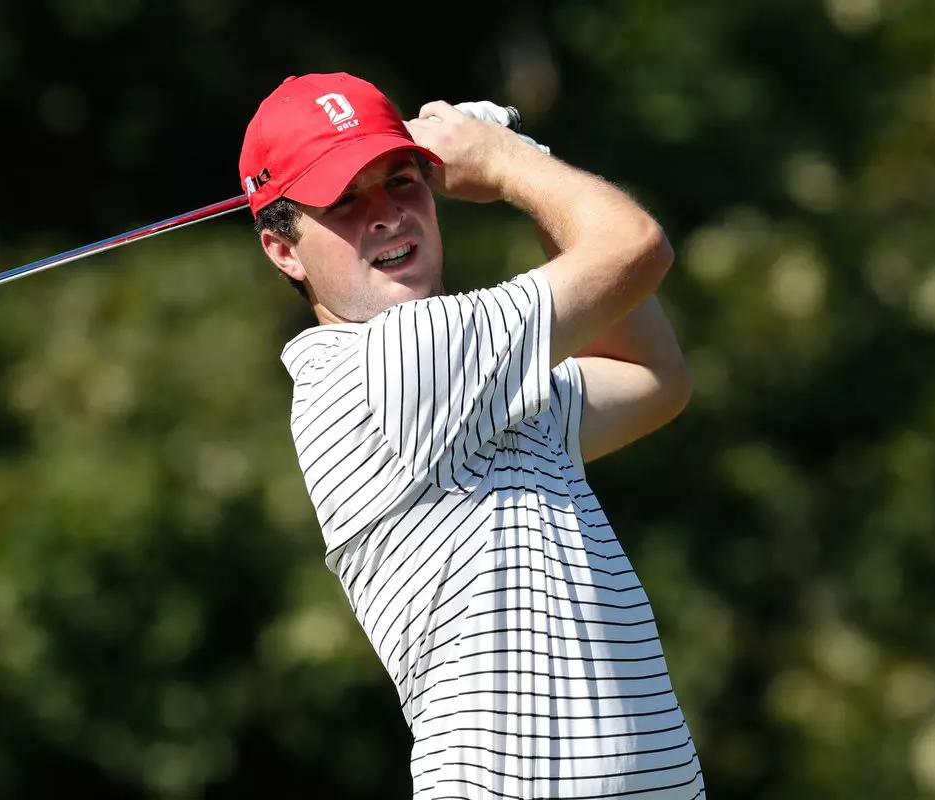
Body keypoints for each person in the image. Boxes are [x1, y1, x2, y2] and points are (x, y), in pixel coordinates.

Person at [239, 71, 704, 799]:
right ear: (284, 251)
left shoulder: (473, 387)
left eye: (402, 181)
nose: (386, 215)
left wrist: (521, 155)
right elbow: (635, 246)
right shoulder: (392, 362)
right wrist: (510, 161)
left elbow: (654, 378)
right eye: (345, 199)